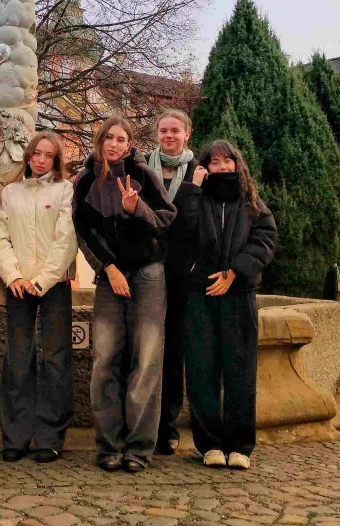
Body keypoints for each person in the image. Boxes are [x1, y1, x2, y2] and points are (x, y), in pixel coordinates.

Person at [72, 116, 177, 473]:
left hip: (149, 273)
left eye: (122, 139)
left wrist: (137, 209)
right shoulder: (86, 180)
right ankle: (109, 445)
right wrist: (109, 268)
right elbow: (83, 231)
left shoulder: (143, 174)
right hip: (109, 277)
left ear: (130, 144)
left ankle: (139, 447)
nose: (115, 144)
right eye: (109, 138)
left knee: (146, 360)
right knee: (105, 361)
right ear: (100, 141)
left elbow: (166, 218)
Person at [169, 139, 276, 470]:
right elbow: (179, 232)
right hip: (200, 295)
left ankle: (240, 445)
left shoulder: (251, 201)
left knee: (240, 371)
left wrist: (235, 271)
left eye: (227, 161)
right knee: (202, 371)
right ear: (206, 167)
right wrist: (193, 189)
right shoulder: (198, 197)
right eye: (214, 162)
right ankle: (209, 444)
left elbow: (265, 240)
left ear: (237, 164)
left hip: (238, 294)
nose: (222, 167)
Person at [0, 130, 78, 464]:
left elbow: (66, 239)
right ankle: (15, 436)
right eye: (36, 154)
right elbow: (0, 237)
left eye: (47, 155)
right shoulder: (11, 193)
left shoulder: (65, 190)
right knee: (17, 358)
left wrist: (42, 280)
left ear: (56, 160)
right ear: (28, 156)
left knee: (55, 359)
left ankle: (50, 436)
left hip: (53, 285)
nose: (40, 160)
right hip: (18, 285)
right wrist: (13, 275)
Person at [147, 109, 201, 456]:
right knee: (145, 347)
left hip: (183, 272)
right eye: (164, 131)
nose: (169, 136)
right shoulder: (141, 169)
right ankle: (144, 423)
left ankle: (167, 426)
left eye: (175, 131)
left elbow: (199, 224)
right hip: (147, 268)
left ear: (187, 135)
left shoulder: (199, 172)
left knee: (174, 350)